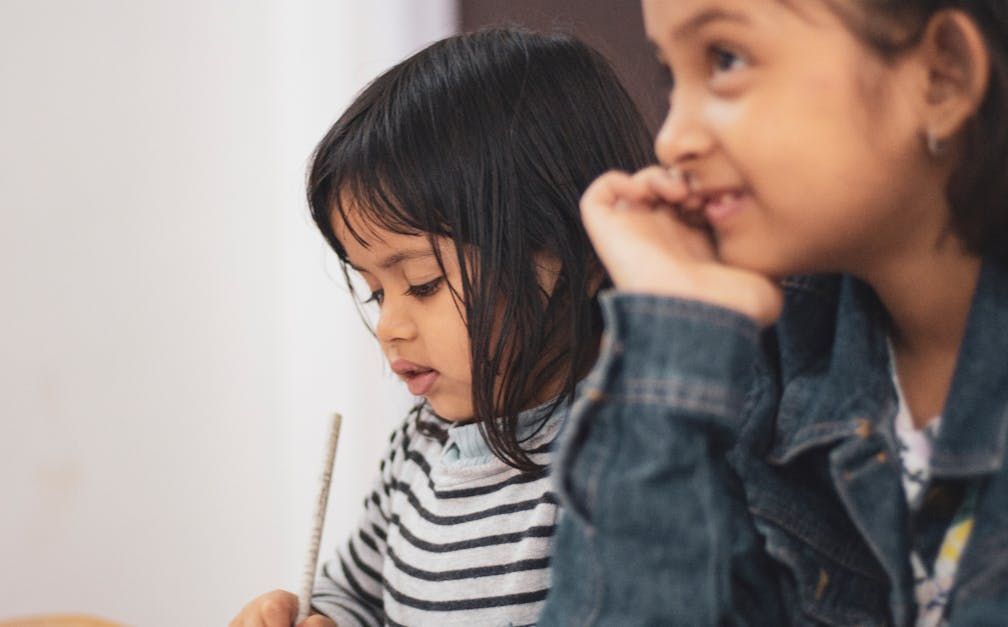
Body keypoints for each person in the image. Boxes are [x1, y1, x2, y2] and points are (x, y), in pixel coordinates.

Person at [541, 1, 1008, 625]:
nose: (671, 139)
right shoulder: (764, 367)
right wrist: (672, 328)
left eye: (725, 60)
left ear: (942, 76)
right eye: (670, 77)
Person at [229, 28, 653, 626]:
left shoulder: (632, 454)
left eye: (423, 282)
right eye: (375, 291)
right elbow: (356, 594)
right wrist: (314, 615)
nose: (388, 327)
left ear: (576, 251)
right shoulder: (420, 444)